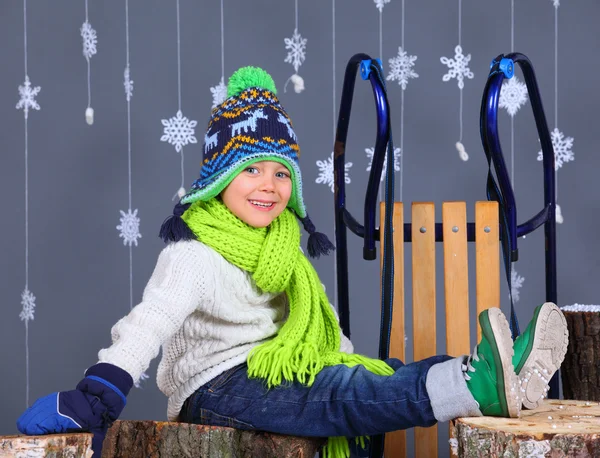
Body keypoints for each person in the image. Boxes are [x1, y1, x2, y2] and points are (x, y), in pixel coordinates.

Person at [16, 66, 569, 458]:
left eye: (282, 173)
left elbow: (317, 319)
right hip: (215, 389)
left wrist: (348, 361)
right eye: (252, 170)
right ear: (219, 180)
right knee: (343, 398)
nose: (269, 186)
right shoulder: (195, 251)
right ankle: (481, 388)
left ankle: (492, 373)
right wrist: (100, 390)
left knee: (374, 377)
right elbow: (150, 321)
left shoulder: (282, 243)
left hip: (273, 371)